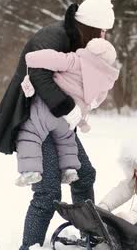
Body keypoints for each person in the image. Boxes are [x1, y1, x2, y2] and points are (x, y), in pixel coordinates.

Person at [0, 0, 116, 250]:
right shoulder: (52, 37)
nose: (104, 37)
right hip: (34, 121)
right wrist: (69, 108)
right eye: (102, 30)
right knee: (48, 191)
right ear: (90, 27)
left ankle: (87, 237)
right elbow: (39, 76)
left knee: (84, 174)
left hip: (60, 123)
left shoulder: (78, 42)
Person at [15, 38, 120, 187]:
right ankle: (70, 170)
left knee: (30, 134)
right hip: (70, 119)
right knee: (66, 141)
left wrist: (31, 57)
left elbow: (53, 58)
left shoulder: (75, 61)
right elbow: (96, 101)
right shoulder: (105, 79)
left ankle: (31, 171)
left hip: (50, 107)